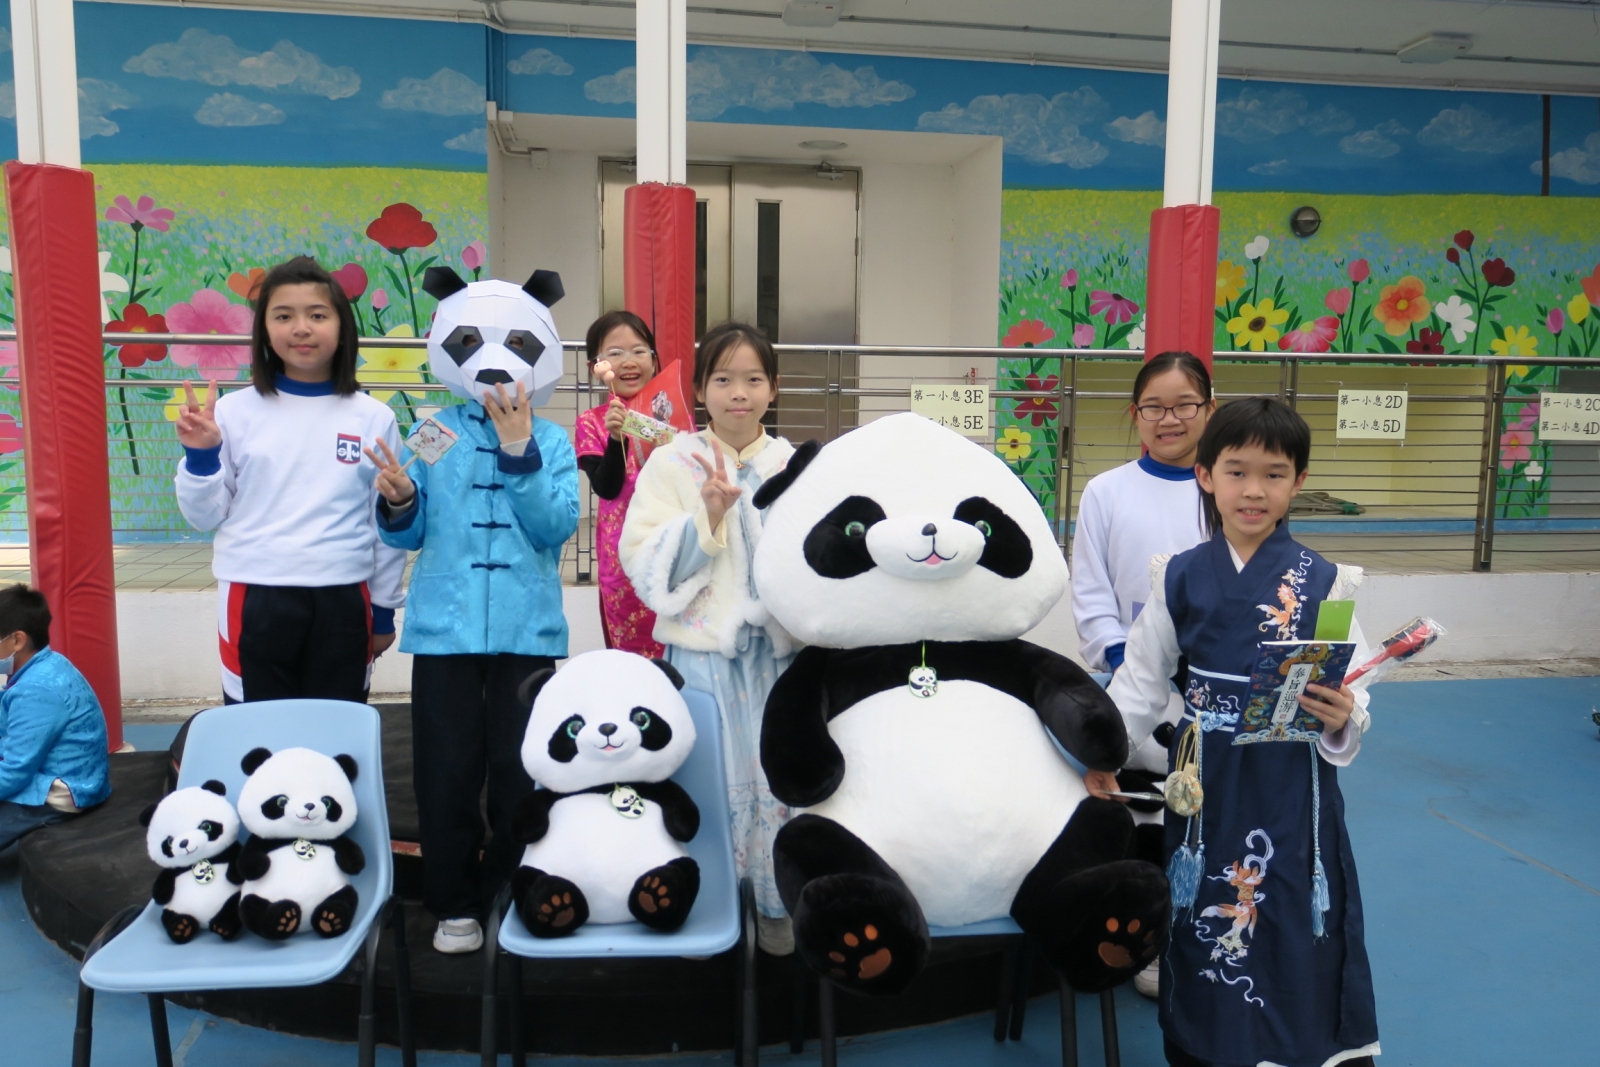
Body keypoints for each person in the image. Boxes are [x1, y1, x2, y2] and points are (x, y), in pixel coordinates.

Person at [1102, 398, 1379, 1067]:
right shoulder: (1178, 574)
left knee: (1289, 908)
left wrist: (1343, 715)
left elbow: (1353, 687)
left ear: (1298, 481)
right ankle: (1206, 1045)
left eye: (1274, 474)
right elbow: (1139, 683)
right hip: (1206, 780)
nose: (1254, 490)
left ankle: (1299, 1047)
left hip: (1291, 781)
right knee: (1204, 902)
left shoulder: (1330, 583)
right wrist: (1101, 755)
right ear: (1206, 476)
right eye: (1237, 471)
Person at [367, 368, 578, 955]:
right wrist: (401, 500)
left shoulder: (552, 439)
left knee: (522, 769)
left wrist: (519, 450)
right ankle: (454, 903)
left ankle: (514, 890)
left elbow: (556, 526)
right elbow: (407, 533)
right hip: (446, 630)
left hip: (526, 629)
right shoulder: (435, 430)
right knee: (445, 771)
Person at [618, 321, 797, 951]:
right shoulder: (672, 462)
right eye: (722, 379)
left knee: (780, 777)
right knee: (707, 781)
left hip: (779, 660)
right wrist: (708, 517)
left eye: (753, 379)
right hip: (703, 659)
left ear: (773, 387)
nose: (738, 393)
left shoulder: (796, 466)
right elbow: (642, 559)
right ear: (700, 389)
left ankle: (776, 901)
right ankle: (710, 900)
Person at [172, 256, 405, 704]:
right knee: (258, 729)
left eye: (317, 315)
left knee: (337, 727)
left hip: (344, 597)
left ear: (342, 327)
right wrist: (201, 457)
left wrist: (382, 610)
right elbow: (203, 517)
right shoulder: (231, 413)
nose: (301, 328)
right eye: (283, 316)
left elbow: (384, 525)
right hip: (254, 595)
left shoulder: (374, 417)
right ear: (264, 330)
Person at [1070, 351, 1214, 997]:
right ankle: (1146, 941)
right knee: (1142, 817)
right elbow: (1090, 589)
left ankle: (1204, 934)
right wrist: (1126, 663)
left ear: (1209, 410)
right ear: (1135, 414)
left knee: (1204, 813)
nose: (1169, 418)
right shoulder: (1106, 491)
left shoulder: (1225, 490)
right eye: (1154, 406)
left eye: (1184, 405)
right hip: (1129, 682)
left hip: (1207, 684)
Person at [575, 310, 664, 657]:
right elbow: (606, 487)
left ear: (654, 360)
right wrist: (616, 437)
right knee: (631, 657)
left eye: (639, 351)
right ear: (595, 367)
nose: (629, 361)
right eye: (615, 353)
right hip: (621, 559)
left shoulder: (669, 414)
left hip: (671, 548)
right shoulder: (591, 422)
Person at [0, 584, 110, 851]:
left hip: (59, 791)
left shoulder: (36, 690)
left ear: (17, 640)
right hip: (62, 771)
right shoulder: (47, 663)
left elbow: (15, 771)